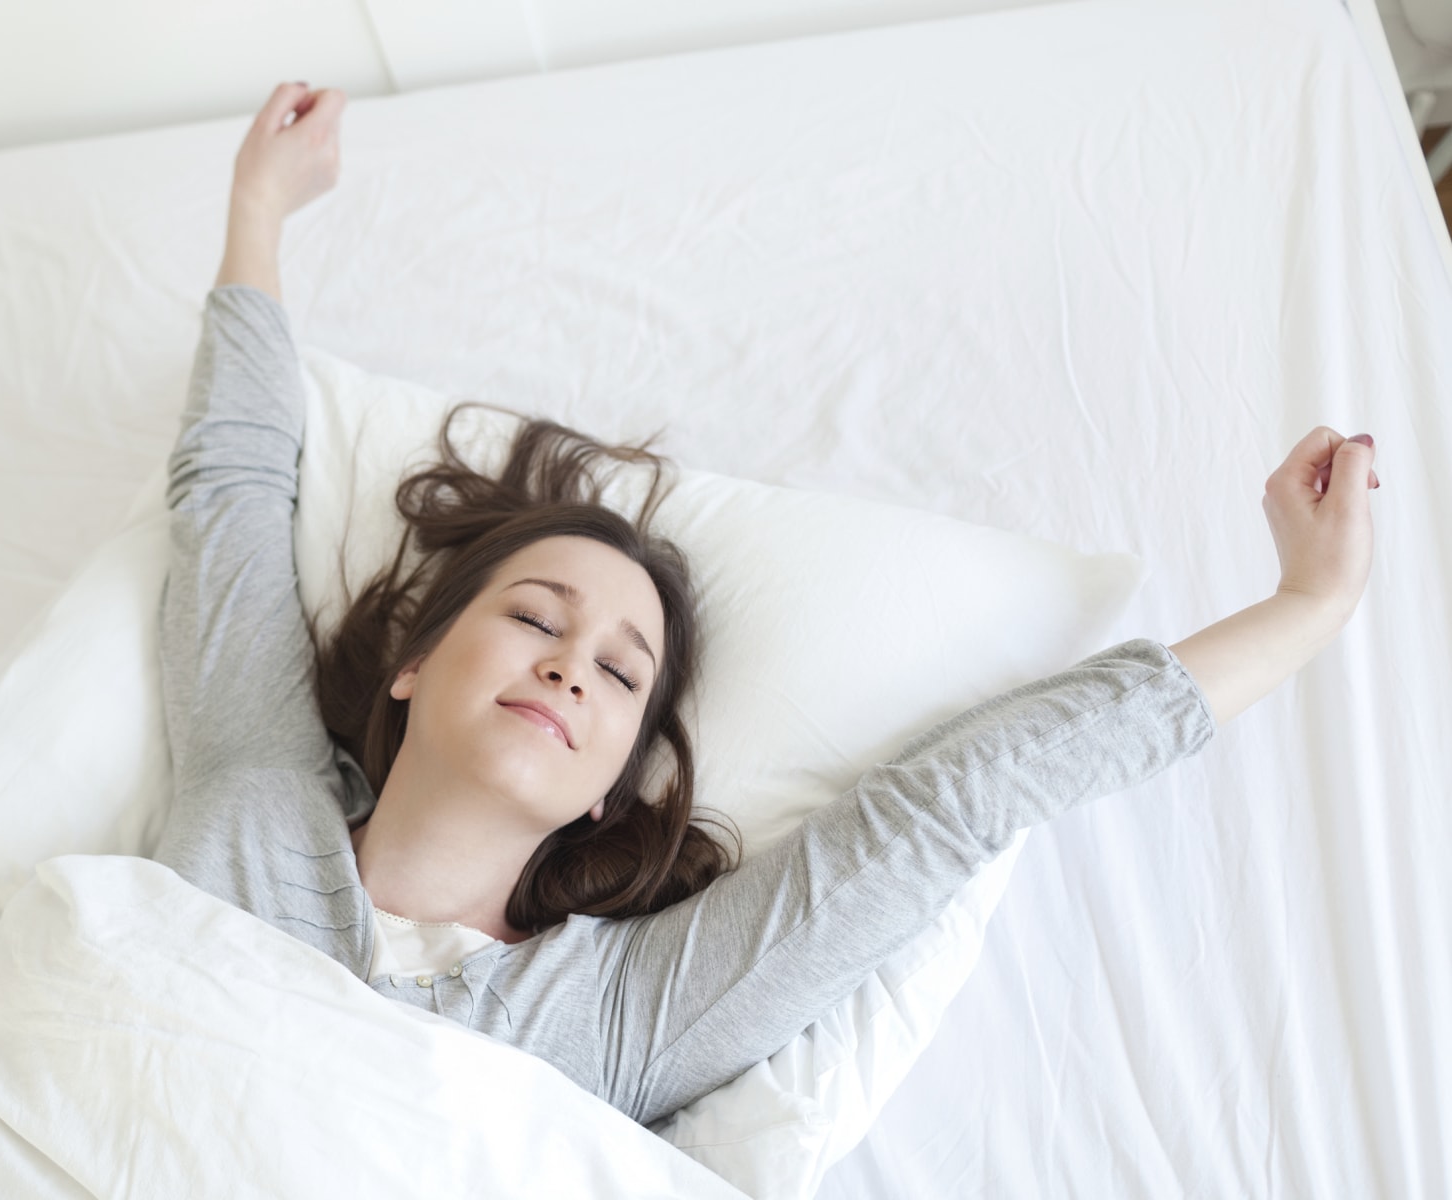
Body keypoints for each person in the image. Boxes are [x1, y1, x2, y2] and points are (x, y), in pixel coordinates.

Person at [151, 82, 1381, 1128]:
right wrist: (257, 217)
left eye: (623, 675)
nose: (575, 665)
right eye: (535, 617)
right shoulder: (252, 789)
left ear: (609, 787)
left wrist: (1307, 606)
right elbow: (233, 493)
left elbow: (953, 807)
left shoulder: (622, 1015)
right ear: (414, 662)